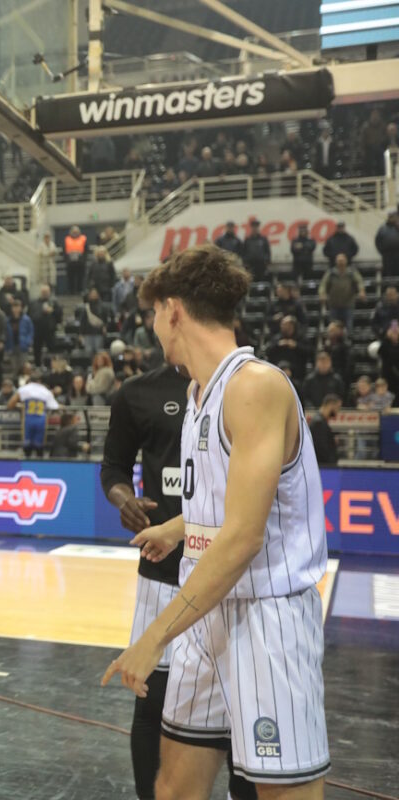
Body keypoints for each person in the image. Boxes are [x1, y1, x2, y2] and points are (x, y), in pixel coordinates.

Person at [105, 244, 330, 797]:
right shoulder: (199, 391)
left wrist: (154, 637)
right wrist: (179, 527)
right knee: (174, 786)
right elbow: (230, 501)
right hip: (206, 612)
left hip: (264, 617)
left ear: (173, 310)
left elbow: (244, 537)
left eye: (154, 313)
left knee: (284, 793)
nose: (152, 327)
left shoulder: (254, 386)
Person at [101, 362, 257, 800]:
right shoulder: (137, 392)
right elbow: (113, 468)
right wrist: (124, 499)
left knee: (240, 715)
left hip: (231, 578)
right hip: (163, 572)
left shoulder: (249, 384)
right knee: (152, 701)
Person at [7, 371, 59, 457]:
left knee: (27, 448)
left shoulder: (24, 389)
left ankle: (27, 461)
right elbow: (54, 407)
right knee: (39, 448)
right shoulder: (45, 391)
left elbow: (10, 404)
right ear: (40, 381)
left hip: (28, 419)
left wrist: (20, 406)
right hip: (41, 420)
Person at [318, 253, 365, 333]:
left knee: (349, 328)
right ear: (336, 262)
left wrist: (361, 291)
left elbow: (359, 281)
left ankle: (348, 340)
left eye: (342, 261)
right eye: (339, 261)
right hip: (334, 305)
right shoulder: (331, 273)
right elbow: (323, 284)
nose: (341, 262)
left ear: (346, 261)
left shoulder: (351, 272)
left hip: (348, 305)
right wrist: (322, 293)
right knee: (333, 328)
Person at [31, 284, 62, 367]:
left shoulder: (54, 302)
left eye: (46, 292)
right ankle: (38, 366)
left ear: (49, 292)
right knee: (37, 350)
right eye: (43, 292)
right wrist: (42, 313)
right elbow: (32, 316)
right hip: (37, 331)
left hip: (50, 331)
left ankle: (51, 367)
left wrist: (53, 311)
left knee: (52, 350)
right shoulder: (34, 303)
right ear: (40, 292)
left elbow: (59, 316)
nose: (45, 293)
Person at [308, 394, 341, 466]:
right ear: (331, 405)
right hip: (324, 467)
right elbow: (322, 449)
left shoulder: (320, 421)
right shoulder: (318, 423)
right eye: (337, 408)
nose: (337, 411)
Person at [6, 298, 34, 374]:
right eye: (14, 307)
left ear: (21, 308)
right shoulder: (8, 320)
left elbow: (30, 332)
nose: (16, 309)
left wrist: (27, 342)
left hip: (23, 346)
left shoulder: (26, 319)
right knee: (14, 367)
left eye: (17, 307)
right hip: (12, 346)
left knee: (23, 367)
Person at [63, 225, 87, 295]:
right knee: (70, 278)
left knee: (80, 277)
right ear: (71, 232)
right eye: (74, 232)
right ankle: (71, 291)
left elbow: (86, 250)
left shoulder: (83, 238)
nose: (75, 233)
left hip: (80, 262)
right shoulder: (67, 239)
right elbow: (64, 250)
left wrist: (83, 260)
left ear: (79, 232)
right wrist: (66, 260)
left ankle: (79, 291)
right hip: (70, 262)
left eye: (76, 232)